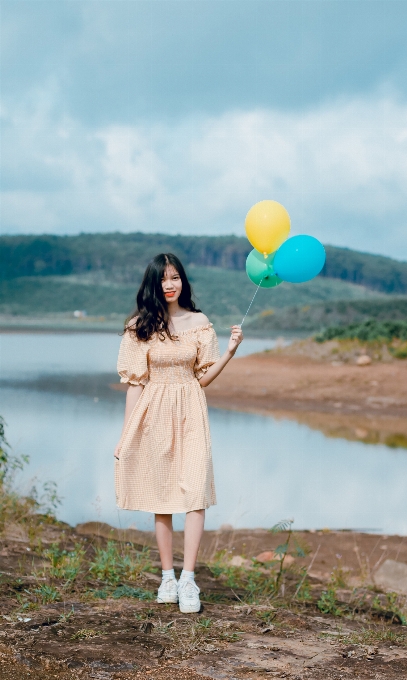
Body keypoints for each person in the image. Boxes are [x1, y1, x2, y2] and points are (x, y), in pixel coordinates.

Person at [114, 253, 243, 613]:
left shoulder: (200, 322)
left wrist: (230, 352)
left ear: (182, 280)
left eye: (174, 277)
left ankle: (189, 579)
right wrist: (126, 435)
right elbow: (135, 385)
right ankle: (167, 576)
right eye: (162, 279)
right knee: (163, 496)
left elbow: (202, 379)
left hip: (191, 409)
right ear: (153, 284)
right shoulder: (140, 325)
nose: (169, 284)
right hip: (154, 412)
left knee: (196, 491)